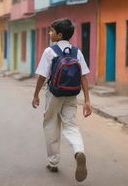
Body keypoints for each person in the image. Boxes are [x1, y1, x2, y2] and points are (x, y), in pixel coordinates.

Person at [32, 18, 92, 182]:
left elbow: (42, 76)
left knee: (50, 123)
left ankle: (53, 162)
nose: (50, 33)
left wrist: (36, 94)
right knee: (71, 125)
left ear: (59, 34)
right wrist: (87, 100)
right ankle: (79, 151)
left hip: (54, 94)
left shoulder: (49, 51)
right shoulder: (76, 51)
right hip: (72, 94)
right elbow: (84, 77)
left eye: (52, 31)